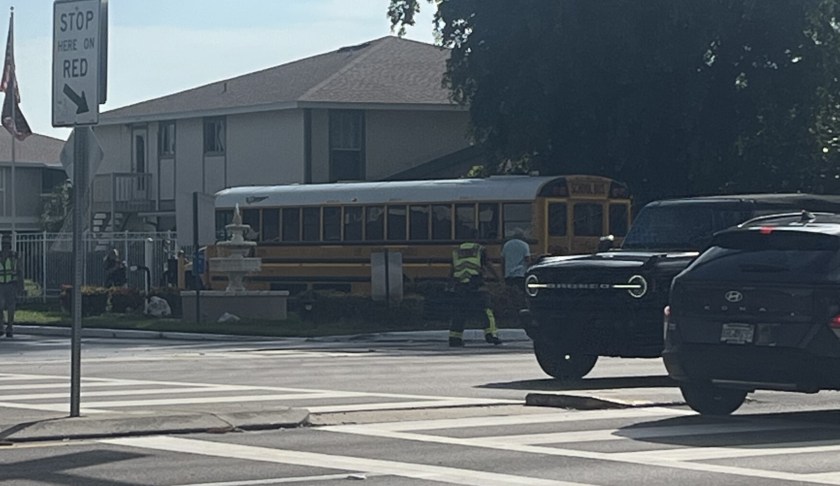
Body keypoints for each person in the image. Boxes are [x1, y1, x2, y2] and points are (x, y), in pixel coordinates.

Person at [448, 232, 503, 347]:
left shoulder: (457, 251)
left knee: (459, 312)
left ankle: (454, 338)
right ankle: (491, 335)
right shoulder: (479, 249)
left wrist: (450, 284)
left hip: (460, 285)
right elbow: (487, 264)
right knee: (486, 309)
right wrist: (499, 279)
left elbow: (452, 268)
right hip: (476, 284)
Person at [0, 237, 23, 338]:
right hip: (0, 285)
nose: (5, 246)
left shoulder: (15, 256)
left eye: (6, 244)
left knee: (11, 308)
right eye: (3, 244)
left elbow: (19, 271)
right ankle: (1, 327)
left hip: (11, 285)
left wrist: (21, 286)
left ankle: (9, 328)